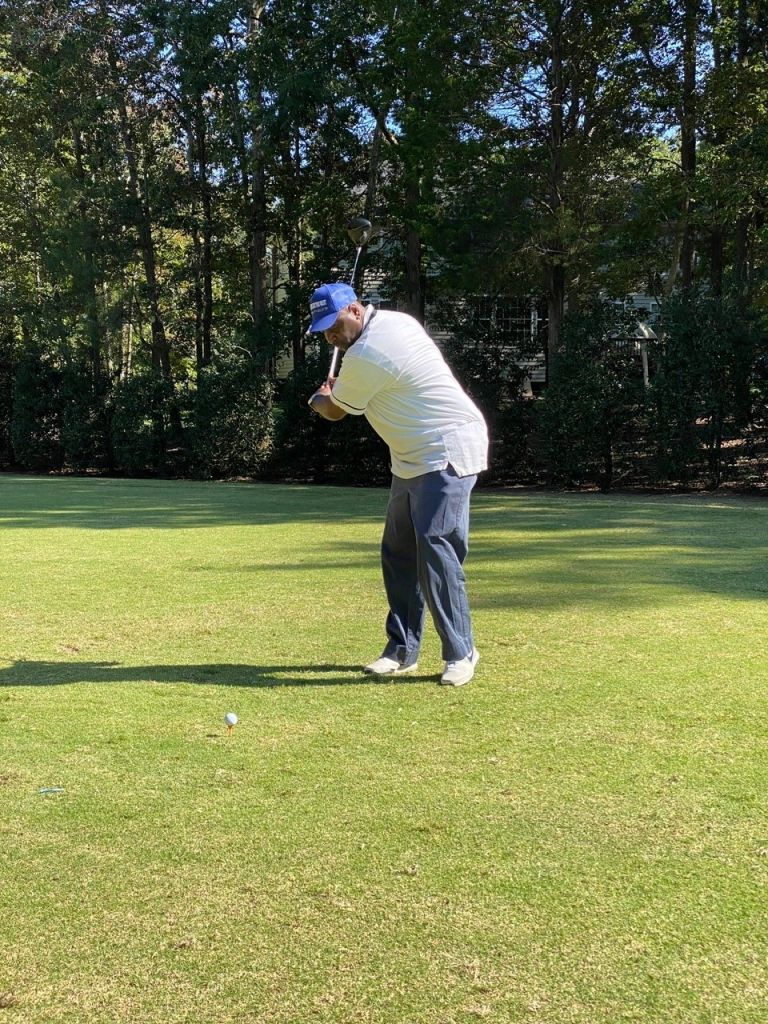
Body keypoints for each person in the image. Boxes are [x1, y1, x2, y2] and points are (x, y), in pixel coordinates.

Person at [307, 282, 488, 687]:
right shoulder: (391, 323)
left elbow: (334, 412)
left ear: (355, 310)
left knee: (435, 544)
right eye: (323, 331)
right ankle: (402, 650)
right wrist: (341, 382)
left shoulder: (371, 351)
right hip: (410, 456)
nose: (330, 337)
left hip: (447, 446)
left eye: (333, 326)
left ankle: (462, 652)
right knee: (399, 550)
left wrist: (320, 396)